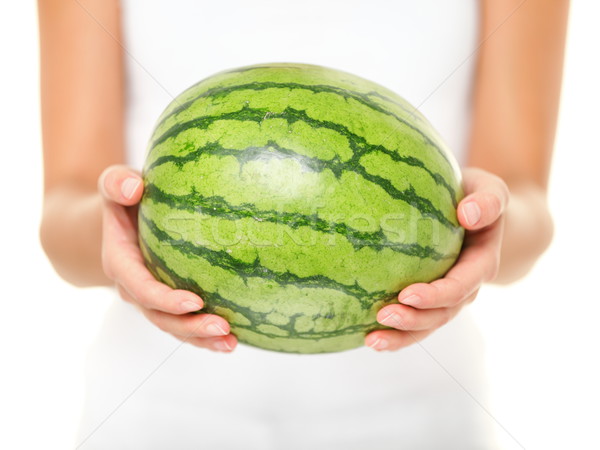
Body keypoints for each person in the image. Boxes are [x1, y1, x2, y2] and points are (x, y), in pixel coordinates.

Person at [38, 0, 569, 448]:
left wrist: (485, 228)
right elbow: (64, 216)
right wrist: (118, 232)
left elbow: (526, 204)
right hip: (155, 420)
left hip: (420, 422)